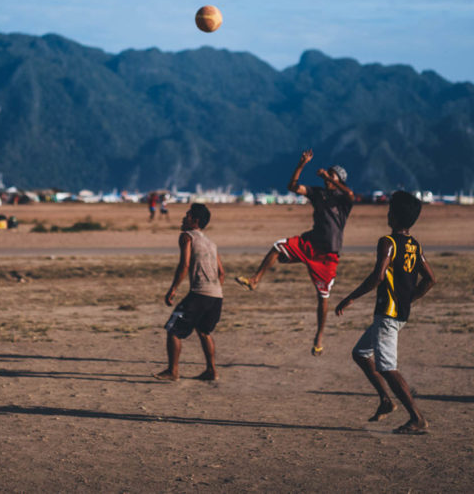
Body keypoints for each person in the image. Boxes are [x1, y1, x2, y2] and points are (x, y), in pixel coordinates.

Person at [335, 191, 436, 435]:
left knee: (388, 367)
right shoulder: (415, 245)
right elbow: (430, 279)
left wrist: (350, 297)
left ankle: (417, 417)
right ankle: (386, 400)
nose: (387, 213)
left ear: (396, 216)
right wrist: (408, 299)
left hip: (387, 315)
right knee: (360, 354)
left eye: (390, 210)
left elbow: (378, 276)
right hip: (399, 313)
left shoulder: (388, 243)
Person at [236, 149, 354, 356]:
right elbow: (292, 186)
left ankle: (319, 336)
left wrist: (330, 179)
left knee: (323, 296)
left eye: (332, 175)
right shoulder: (318, 193)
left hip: (329, 254)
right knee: (277, 246)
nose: (327, 176)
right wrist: (301, 165)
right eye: (327, 174)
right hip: (310, 243)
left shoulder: (343, 200)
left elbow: (350, 193)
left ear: (339, 180)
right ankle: (255, 279)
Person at [155, 203, 225, 381]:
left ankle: (173, 371)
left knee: (173, 329)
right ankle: (211, 370)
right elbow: (222, 273)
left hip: (200, 293)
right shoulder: (211, 242)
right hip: (216, 295)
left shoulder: (187, 236)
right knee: (204, 332)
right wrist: (214, 289)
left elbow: (184, 265)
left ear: (195, 221)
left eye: (187, 215)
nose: (182, 218)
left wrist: (173, 289)